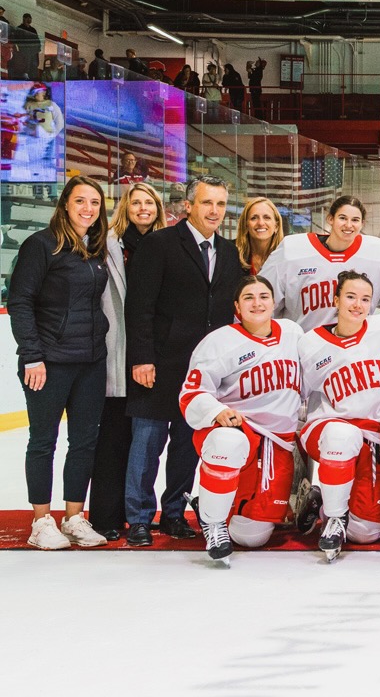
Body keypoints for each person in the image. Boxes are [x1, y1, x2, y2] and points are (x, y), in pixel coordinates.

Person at [124, 175, 244, 547]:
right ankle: (140, 518)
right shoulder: (159, 244)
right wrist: (142, 357)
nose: (214, 211)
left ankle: (174, 513)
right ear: (188, 206)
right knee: (147, 444)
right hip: (159, 365)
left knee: (185, 448)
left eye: (221, 204)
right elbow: (140, 306)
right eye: (207, 203)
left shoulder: (227, 252)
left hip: (203, 373)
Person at [11, 176, 111, 550]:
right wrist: (32, 355)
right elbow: (21, 302)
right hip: (49, 361)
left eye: (95, 203)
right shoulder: (41, 245)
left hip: (90, 360)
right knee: (43, 441)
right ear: (65, 204)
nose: (88, 209)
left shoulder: (96, 248)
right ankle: (41, 521)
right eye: (81, 201)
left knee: (84, 441)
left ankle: (73, 517)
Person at [178, 275, 303, 562]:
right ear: (237, 306)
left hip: (277, 443)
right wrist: (216, 411)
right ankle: (212, 521)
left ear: (274, 303)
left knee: (251, 537)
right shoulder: (219, 341)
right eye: (249, 297)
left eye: (263, 296)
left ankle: (284, 501)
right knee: (226, 441)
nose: (257, 303)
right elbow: (191, 391)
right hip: (240, 431)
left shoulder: (293, 332)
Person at [297, 271, 380, 560]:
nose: (358, 304)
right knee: (343, 435)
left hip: (374, 433)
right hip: (331, 428)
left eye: (365, 299)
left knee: (365, 532)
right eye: (351, 297)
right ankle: (333, 517)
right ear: (336, 299)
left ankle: (321, 499)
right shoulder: (310, 344)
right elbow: (298, 396)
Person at [92, 182, 166, 542]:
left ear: (158, 208)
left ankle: (136, 511)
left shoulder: (169, 244)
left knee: (144, 441)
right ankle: (107, 515)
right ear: (126, 208)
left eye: (148, 202)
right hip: (117, 352)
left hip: (153, 354)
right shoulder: (109, 245)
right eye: (135, 202)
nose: (142, 208)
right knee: (113, 437)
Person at [260, 195, 380, 331]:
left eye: (355, 220)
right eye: (342, 218)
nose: (348, 225)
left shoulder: (376, 251)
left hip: (356, 345)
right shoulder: (292, 249)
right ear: (330, 219)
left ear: (362, 224)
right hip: (305, 344)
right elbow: (263, 298)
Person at [235, 197, 284, 275]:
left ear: (276, 226)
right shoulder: (231, 254)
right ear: (246, 225)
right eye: (254, 218)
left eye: (267, 217)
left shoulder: (285, 256)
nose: (261, 223)